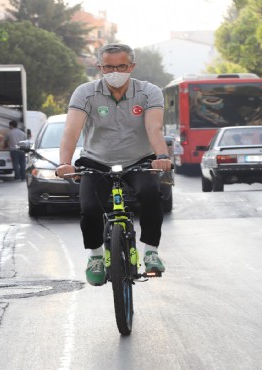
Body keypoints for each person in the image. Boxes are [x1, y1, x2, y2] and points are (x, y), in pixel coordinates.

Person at [56, 43, 172, 286]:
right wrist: (65, 163)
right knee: (89, 207)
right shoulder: (85, 92)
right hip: (96, 160)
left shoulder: (149, 92)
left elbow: (154, 127)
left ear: (131, 66)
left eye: (121, 66)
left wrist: (162, 156)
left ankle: (150, 251)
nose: (115, 71)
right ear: (100, 67)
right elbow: (71, 130)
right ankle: (96, 257)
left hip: (138, 159)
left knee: (151, 193)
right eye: (108, 67)